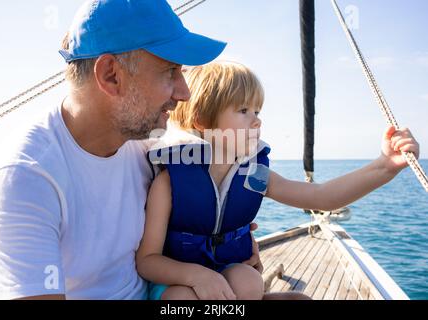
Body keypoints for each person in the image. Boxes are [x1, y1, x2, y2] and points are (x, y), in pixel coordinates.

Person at [0, 0, 228, 300]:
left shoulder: (147, 144)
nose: (184, 92)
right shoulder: (25, 177)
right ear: (111, 75)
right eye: (170, 70)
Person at [135, 61, 420, 300]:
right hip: (176, 281)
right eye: (244, 111)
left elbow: (322, 197)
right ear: (201, 120)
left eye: (257, 112)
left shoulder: (255, 174)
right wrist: (195, 276)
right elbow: (147, 261)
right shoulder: (170, 183)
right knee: (180, 299)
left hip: (227, 275)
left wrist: (385, 167)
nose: (257, 121)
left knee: (249, 282)